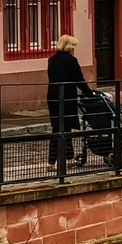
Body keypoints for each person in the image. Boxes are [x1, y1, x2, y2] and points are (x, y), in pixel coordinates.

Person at [46, 35, 94, 166]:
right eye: (73, 46)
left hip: (53, 97)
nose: (74, 49)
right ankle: (67, 159)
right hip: (66, 97)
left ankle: (54, 161)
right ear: (69, 47)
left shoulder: (51, 60)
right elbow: (79, 80)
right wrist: (90, 94)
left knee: (57, 128)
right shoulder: (71, 60)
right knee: (66, 129)